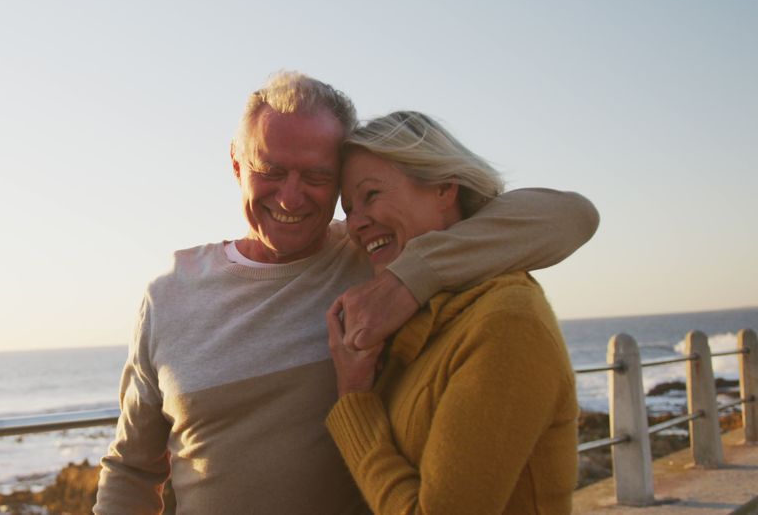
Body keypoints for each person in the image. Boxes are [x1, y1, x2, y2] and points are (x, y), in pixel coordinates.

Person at [94, 72, 596, 514]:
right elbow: (133, 470)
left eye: (316, 176)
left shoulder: (377, 252)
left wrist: (408, 279)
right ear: (235, 163)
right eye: (270, 170)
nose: (290, 197)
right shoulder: (169, 296)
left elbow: (571, 215)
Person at [326, 111, 579, 514]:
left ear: (444, 187)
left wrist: (354, 398)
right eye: (348, 208)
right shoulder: (421, 312)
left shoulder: (506, 322)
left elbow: (576, 213)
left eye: (371, 195)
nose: (355, 224)